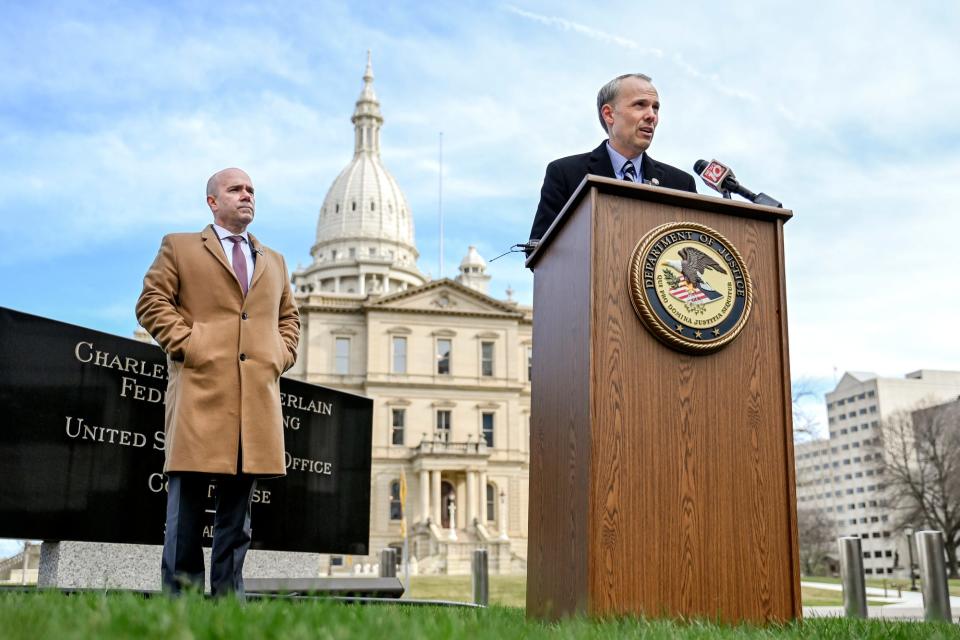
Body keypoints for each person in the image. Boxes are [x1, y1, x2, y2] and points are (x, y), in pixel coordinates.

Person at [136, 167, 300, 597]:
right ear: (213, 201)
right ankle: (182, 604)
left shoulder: (276, 261)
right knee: (185, 514)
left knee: (236, 519)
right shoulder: (181, 246)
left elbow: (289, 320)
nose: (246, 195)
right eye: (235, 189)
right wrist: (192, 345)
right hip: (200, 394)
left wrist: (277, 356)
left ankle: (229, 602)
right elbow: (151, 302)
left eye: (251, 189)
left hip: (254, 402)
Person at [528, 73, 697, 247]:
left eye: (655, 108)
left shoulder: (681, 184)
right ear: (609, 114)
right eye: (640, 105)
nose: (651, 116)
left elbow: (695, 248)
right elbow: (539, 252)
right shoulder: (566, 174)